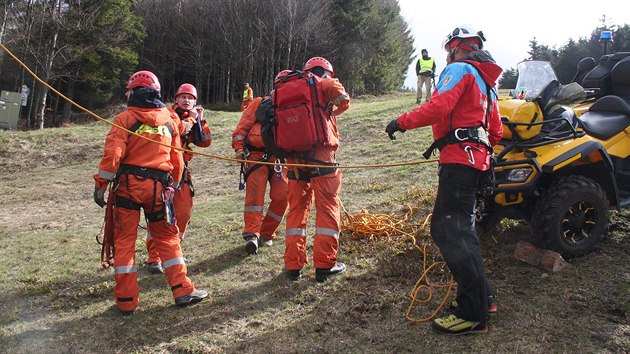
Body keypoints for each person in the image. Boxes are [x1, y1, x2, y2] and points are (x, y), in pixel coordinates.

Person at [385, 26, 503, 335]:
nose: (447, 55)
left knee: (453, 230)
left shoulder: (459, 69)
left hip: (459, 161)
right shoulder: (487, 82)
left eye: (449, 50)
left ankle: (473, 312)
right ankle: (484, 297)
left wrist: (401, 122)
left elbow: (439, 106)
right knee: (454, 229)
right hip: (477, 160)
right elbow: (497, 131)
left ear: (455, 49)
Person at [93, 70, 207, 314]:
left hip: (129, 189)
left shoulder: (124, 119)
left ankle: (126, 301)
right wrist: (174, 185)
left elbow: (113, 157)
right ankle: (183, 290)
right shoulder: (168, 119)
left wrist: (101, 185)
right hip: (160, 190)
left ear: (133, 92)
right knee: (167, 237)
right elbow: (177, 158)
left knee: (124, 241)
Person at [284, 57, 350, 282]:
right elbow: (344, 102)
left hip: (293, 159)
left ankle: (293, 266)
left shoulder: (286, 89)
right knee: (327, 207)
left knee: (296, 210)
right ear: (327, 72)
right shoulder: (326, 84)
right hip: (321, 156)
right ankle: (324, 265)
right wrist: (328, 111)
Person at [145, 83, 212, 274]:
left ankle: (173, 252)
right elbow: (179, 129)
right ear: (176, 99)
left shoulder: (190, 117)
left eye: (190, 98)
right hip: (163, 173)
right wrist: (191, 120)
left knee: (183, 214)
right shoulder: (167, 113)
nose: (186, 100)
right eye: (183, 97)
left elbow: (205, 142)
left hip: (181, 175)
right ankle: (154, 258)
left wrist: (200, 120)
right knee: (161, 217)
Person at [232, 71, 291, 255]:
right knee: (254, 199)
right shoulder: (259, 103)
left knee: (283, 196)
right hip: (256, 156)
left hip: (280, 159)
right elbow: (243, 126)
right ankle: (252, 235)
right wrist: (239, 148)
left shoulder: (294, 108)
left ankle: (266, 233)